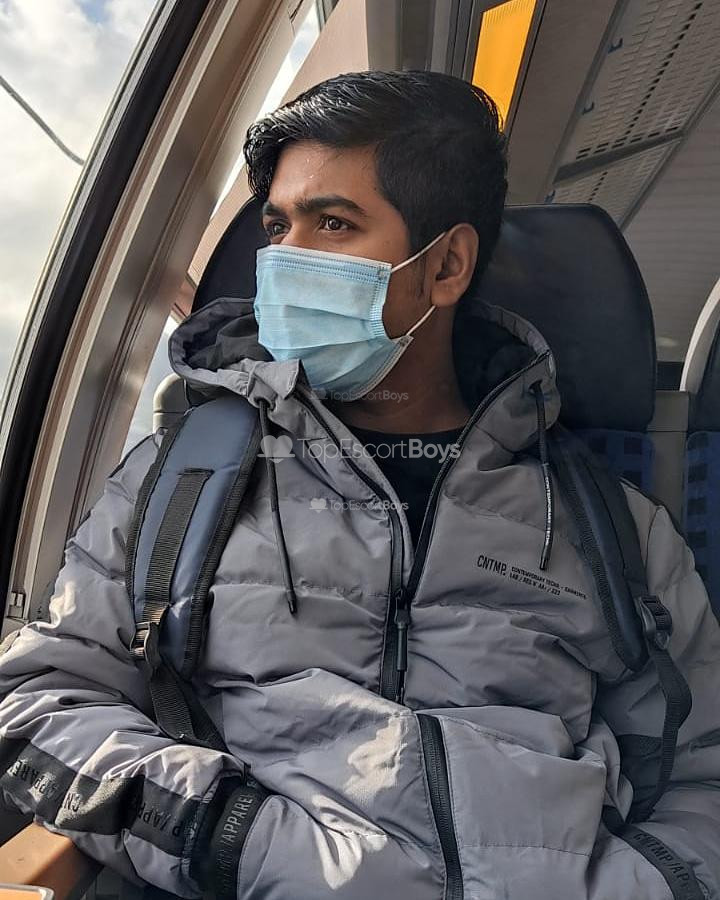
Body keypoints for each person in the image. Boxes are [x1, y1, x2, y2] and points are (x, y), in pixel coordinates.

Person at [1, 70, 719, 900]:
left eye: (334, 223)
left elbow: (702, 769)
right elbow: (42, 701)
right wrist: (230, 837)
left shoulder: (615, 525)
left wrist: (634, 887)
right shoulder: (183, 484)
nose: (284, 261)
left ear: (445, 265)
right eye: (279, 226)